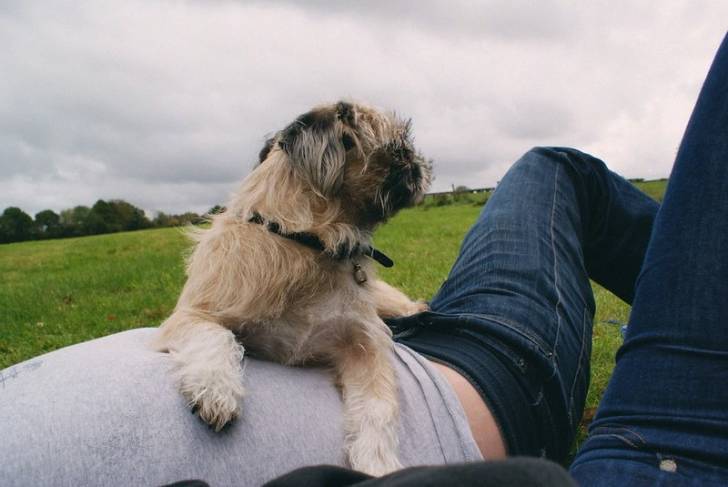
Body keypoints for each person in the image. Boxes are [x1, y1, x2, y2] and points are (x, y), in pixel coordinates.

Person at [1, 34, 726, 487]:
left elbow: (344, 311)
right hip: (492, 380)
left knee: (549, 169)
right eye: (390, 158)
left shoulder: (301, 249)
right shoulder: (246, 255)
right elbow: (204, 318)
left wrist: (399, 308)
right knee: (555, 170)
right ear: (327, 157)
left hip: (429, 335)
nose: (407, 169)